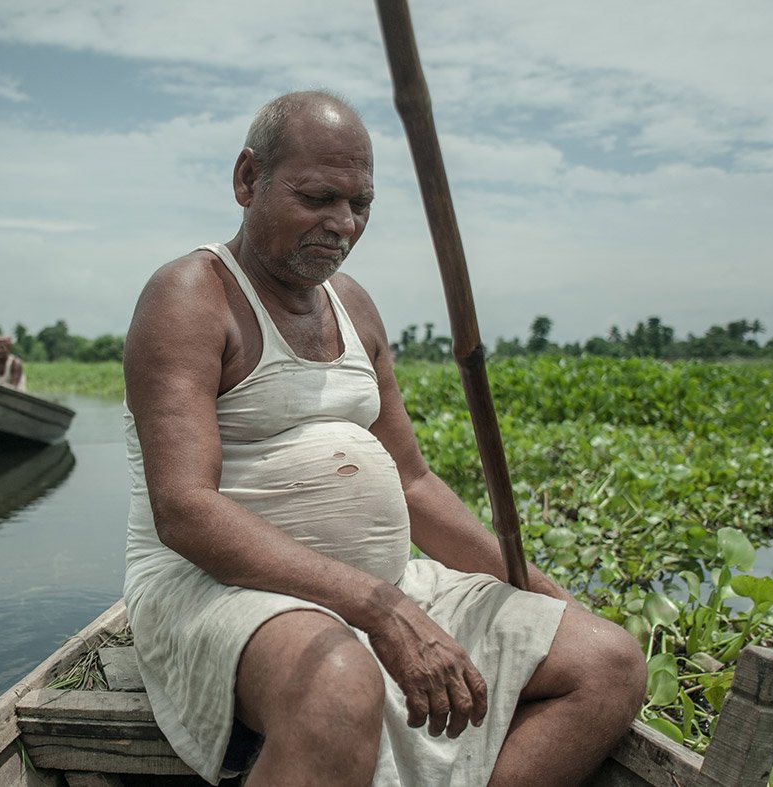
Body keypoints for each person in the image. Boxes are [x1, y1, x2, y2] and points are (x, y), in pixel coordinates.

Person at [121, 90, 645, 786]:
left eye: (360, 205)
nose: (342, 224)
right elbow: (185, 509)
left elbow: (413, 480)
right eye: (318, 198)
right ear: (249, 179)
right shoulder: (193, 294)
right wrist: (378, 607)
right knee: (337, 682)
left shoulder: (355, 306)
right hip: (218, 589)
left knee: (606, 662)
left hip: (387, 582)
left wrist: (527, 581)